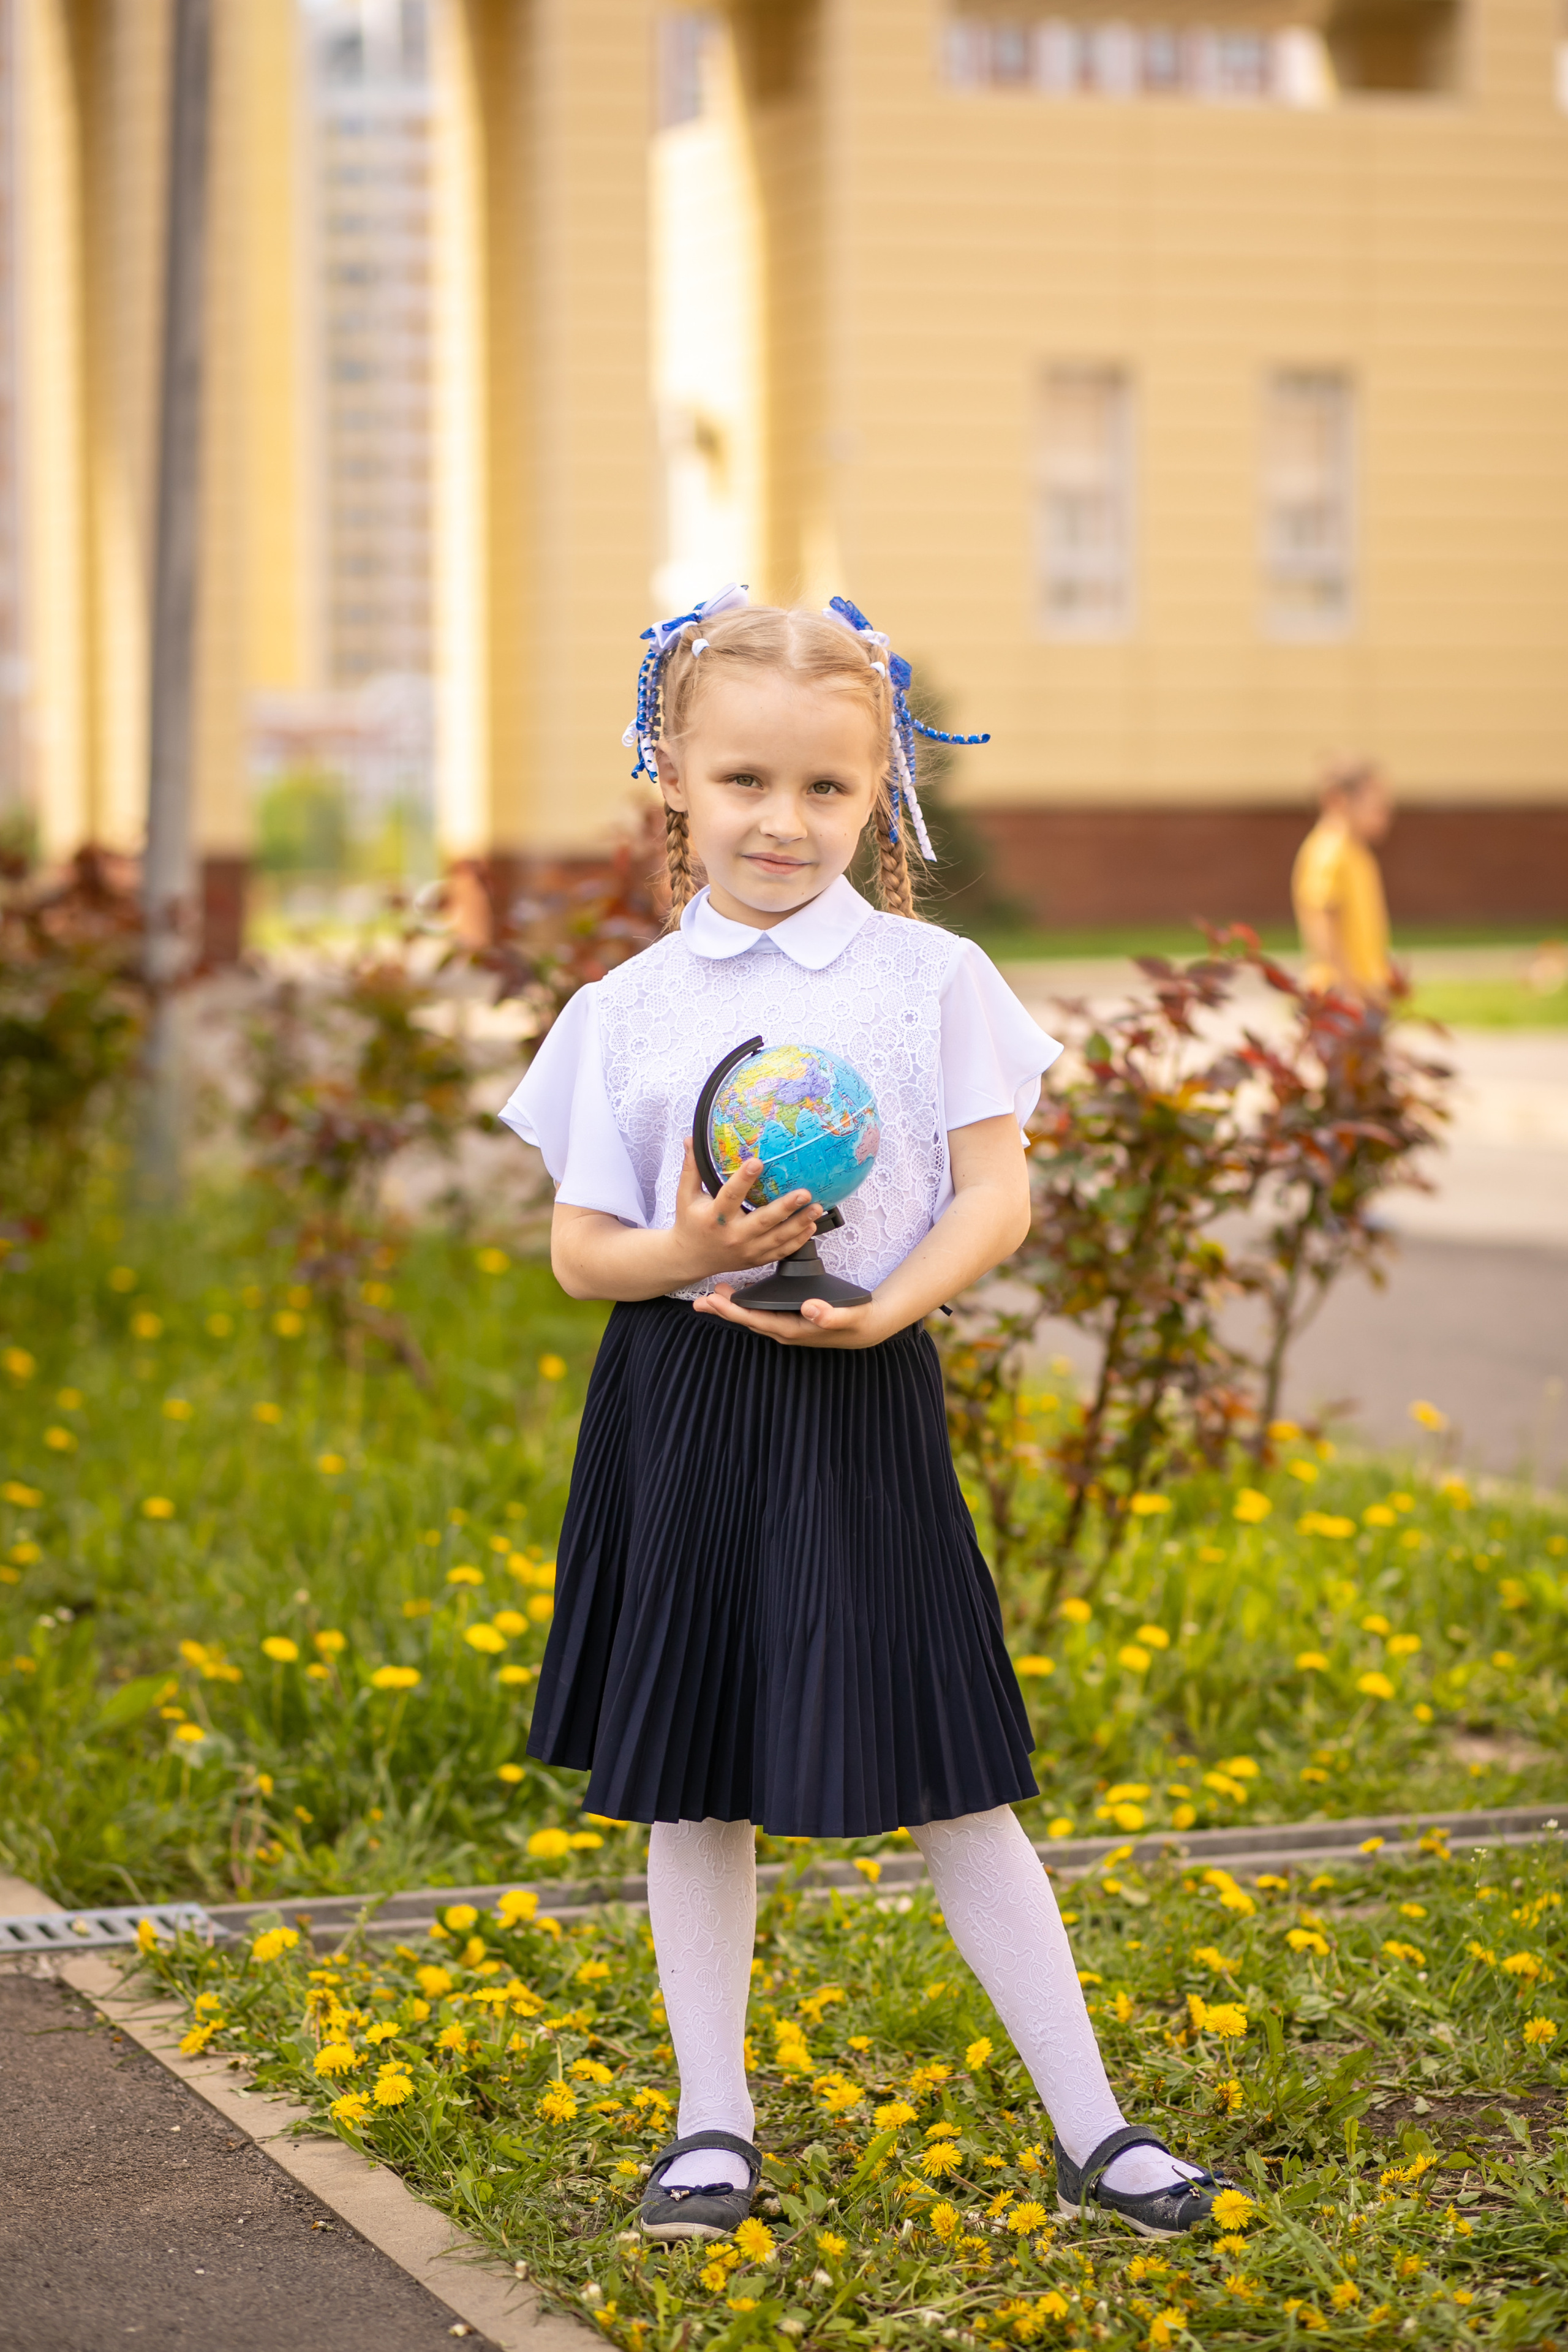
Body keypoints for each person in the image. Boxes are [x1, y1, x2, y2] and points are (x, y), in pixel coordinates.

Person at [499, 587, 1232, 2245]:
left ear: (883, 794)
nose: (785, 821)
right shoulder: (628, 1009)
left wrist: (896, 1305)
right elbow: (579, 1254)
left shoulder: (930, 980)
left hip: (863, 1398)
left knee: (960, 1775)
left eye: (829, 789)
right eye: (746, 781)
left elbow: (996, 1191)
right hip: (684, 1406)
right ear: (669, 778)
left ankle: (1096, 2124)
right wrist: (683, 1251)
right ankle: (710, 2124)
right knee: (695, 1780)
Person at [1291, 759, 1396, 1000]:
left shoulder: (1357, 852)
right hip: (1341, 994)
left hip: (1367, 990)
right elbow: (1323, 924)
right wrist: (1350, 991)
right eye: (1375, 807)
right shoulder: (1329, 851)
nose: (1384, 815)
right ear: (1337, 800)